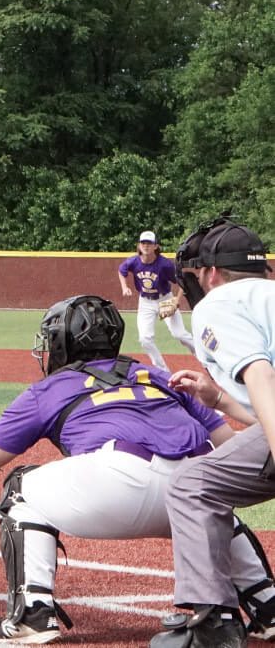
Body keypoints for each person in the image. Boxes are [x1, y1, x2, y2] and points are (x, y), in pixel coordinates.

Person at [0, 294, 275, 644]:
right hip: (192, 483)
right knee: (208, 498)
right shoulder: (158, 375)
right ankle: (268, 605)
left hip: (119, 484)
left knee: (20, 486)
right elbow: (227, 446)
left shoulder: (50, 388)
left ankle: (32, 615)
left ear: (62, 343)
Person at [149, 218, 275, 648]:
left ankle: (215, 625)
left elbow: (261, 376)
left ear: (212, 273)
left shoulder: (219, 302)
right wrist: (219, 400)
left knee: (191, 484)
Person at [118, 230, 195, 370]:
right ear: (139, 245)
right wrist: (124, 287)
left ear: (156, 246)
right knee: (145, 339)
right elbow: (121, 271)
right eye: (143, 243)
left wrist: (177, 300)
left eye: (149, 243)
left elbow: (182, 281)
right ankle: (163, 370)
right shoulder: (133, 261)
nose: (146, 246)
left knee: (179, 334)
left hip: (164, 299)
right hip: (146, 302)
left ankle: (205, 359)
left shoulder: (165, 264)